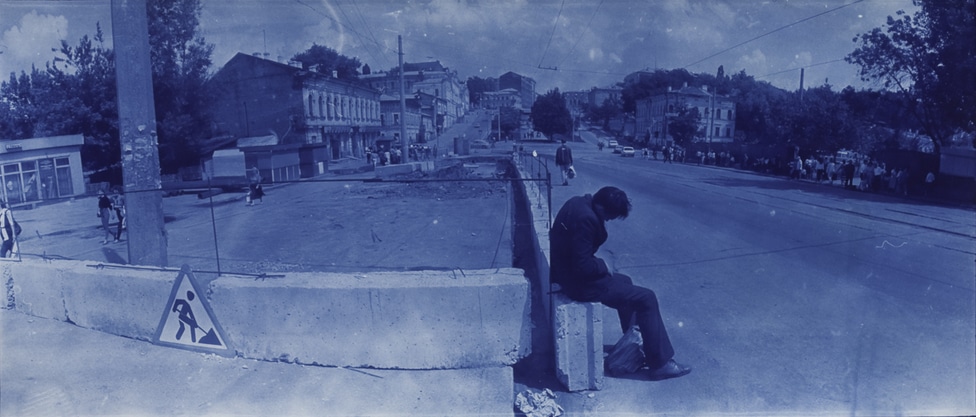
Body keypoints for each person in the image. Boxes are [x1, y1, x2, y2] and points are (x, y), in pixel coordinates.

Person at [549, 186, 691, 380]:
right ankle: (660, 365)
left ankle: (631, 345)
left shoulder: (578, 202)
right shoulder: (587, 219)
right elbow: (582, 266)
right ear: (601, 207)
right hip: (579, 284)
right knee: (647, 297)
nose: (610, 220)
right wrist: (602, 265)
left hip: (566, 274)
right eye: (610, 215)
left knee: (625, 282)